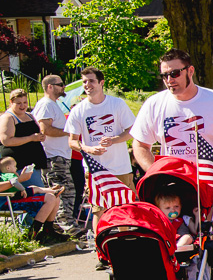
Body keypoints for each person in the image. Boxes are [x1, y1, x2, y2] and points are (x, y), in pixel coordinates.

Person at [131, 49, 213, 240]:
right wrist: (155, 173)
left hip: (207, 188)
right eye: (165, 75)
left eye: (175, 73)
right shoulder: (154, 104)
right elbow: (140, 145)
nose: (170, 80)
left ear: (190, 71)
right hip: (171, 188)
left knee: (208, 242)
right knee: (171, 243)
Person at [66, 68, 137, 241]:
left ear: (101, 82)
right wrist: (87, 149)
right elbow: (72, 141)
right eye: (84, 82)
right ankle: (100, 250)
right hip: (95, 169)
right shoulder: (79, 110)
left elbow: (132, 131)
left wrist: (114, 139)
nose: (87, 85)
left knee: (123, 206)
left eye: (91, 81)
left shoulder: (117, 104)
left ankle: (124, 245)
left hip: (119, 165)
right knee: (98, 208)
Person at [33, 74, 83, 240]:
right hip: (53, 157)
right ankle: (66, 227)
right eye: (60, 84)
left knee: (65, 191)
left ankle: (58, 227)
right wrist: (69, 132)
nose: (63, 87)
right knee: (65, 192)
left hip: (60, 156)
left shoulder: (53, 105)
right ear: (49, 87)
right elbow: (45, 130)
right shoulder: (46, 104)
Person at [0, 156, 66, 243]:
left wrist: (20, 179)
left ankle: (48, 231)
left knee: (54, 197)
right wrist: (20, 179)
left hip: (13, 197)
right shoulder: (7, 174)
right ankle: (32, 235)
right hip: (6, 202)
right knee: (50, 198)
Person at [0, 89, 48, 190]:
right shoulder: (8, 118)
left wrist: (40, 137)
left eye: (25, 102)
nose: (22, 106)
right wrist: (31, 138)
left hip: (34, 163)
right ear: (11, 102)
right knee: (40, 195)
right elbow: (6, 141)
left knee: (41, 191)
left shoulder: (29, 115)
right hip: (20, 165)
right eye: (19, 103)